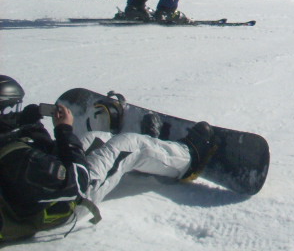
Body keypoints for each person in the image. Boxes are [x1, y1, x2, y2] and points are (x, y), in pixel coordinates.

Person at [0, 75, 214, 243]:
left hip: (33, 199)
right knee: (128, 146)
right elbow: (77, 181)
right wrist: (64, 131)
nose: (16, 112)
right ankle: (188, 158)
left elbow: (40, 160)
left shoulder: (12, 150)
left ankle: (152, 147)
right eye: (13, 108)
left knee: (96, 138)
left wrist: (30, 127)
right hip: (64, 208)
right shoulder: (21, 160)